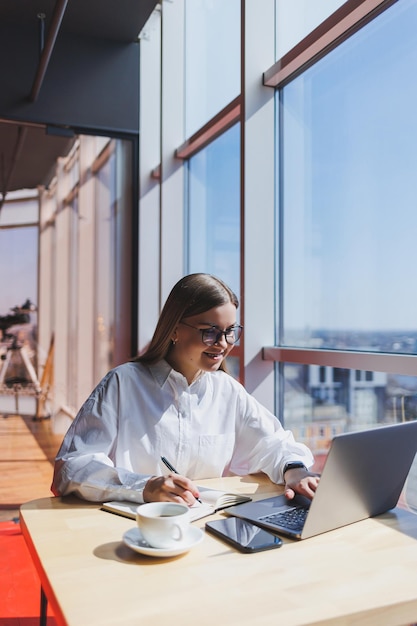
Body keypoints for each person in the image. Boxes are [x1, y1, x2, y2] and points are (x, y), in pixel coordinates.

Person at [52, 273, 319, 506]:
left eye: (230, 331)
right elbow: (71, 468)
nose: (223, 344)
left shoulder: (226, 391)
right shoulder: (123, 384)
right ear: (175, 330)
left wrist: (294, 470)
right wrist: (143, 486)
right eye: (210, 331)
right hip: (134, 527)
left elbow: (272, 443)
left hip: (202, 525)